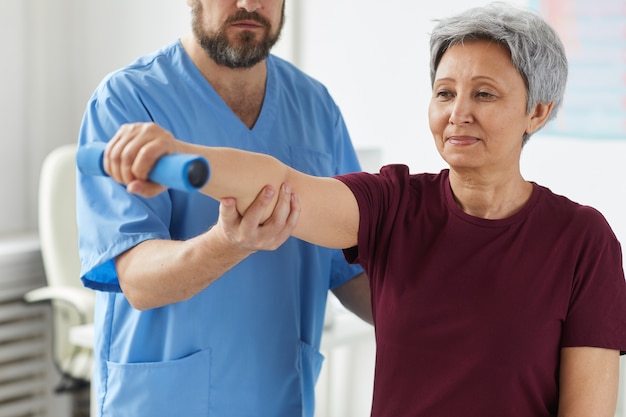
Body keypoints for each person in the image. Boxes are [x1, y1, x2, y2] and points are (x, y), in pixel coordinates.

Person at [96, 2, 626, 416]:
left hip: (280, 393)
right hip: (167, 397)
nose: (459, 113)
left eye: (484, 95)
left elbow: (357, 276)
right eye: (444, 92)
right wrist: (181, 157)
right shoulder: (394, 202)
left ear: (538, 110)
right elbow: (279, 184)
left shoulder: (583, 241)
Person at [75, 1, 372, 416]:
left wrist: (454, 303)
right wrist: (229, 243)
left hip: (279, 397)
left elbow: (352, 268)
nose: (249, 4)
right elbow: (139, 282)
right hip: (164, 402)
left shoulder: (316, 107)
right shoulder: (128, 100)